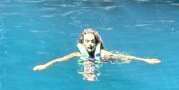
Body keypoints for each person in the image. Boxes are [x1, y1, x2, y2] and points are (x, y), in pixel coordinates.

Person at [32, 28, 161, 71]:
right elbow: (59, 60)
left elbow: (124, 57)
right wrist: (45, 65)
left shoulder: (104, 53)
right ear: (82, 42)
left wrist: (145, 60)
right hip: (89, 63)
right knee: (87, 65)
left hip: (104, 61)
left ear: (96, 42)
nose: (89, 44)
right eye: (87, 41)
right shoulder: (77, 54)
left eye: (92, 41)